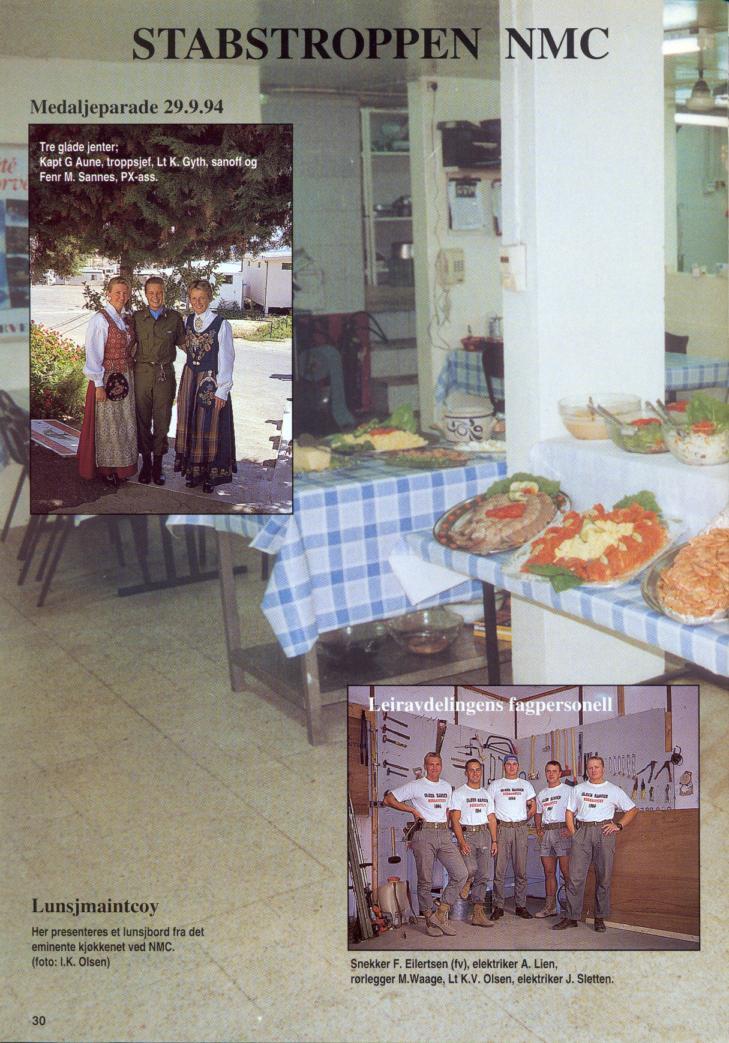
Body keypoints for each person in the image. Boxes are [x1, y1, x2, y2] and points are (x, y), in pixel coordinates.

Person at [383, 752, 468, 937]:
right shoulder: (416, 785)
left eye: (437, 764)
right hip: (424, 833)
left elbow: (448, 810)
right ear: (425, 765)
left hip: (444, 833)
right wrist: (411, 809)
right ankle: (430, 921)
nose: (434, 768)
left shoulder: (446, 787)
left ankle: (440, 913)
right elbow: (388, 799)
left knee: (461, 873)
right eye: (431, 764)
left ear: (441, 766)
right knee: (425, 881)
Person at [553, 755, 638, 933]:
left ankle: (599, 918)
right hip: (582, 832)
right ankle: (571, 917)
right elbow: (569, 812)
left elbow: (632, 809)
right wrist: (574, 834)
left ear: (603, 769)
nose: (593, 770)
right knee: (575, 878)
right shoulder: (578, 789)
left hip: (604, 833)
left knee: (603, 876)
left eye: (596, 767)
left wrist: (618, 825)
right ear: (587, 770)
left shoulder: (613, 790)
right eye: (590, 767)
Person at [174, 279, 236, 494]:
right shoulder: (187, 320)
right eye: (193, 298)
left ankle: (211, 474)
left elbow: (227, 358)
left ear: (209, 298)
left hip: (211, 380)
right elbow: (186, 345)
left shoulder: (221, 324)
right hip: (190, 378)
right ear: (189, 300)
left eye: (201, 298)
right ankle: (194, 472)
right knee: (191, 423)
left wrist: (223, 390)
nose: (197, 302)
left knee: (209, 425)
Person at [77, 276, 137, 487]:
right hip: (107, 378)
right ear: (108, 293)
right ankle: (106, 469)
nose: (121, 296)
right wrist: (98, 384)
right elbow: (93, 353)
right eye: (117, 292)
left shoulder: (125, 318)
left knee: (123, 423)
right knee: (107, 425)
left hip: (126, 377)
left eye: (125, 293)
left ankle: (121, 468)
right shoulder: (100, 320)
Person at [132, 276, 186, 485]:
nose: (155, 296)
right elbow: (127, 345)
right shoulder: (136, 318)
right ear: (146, 294)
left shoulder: (174, 318)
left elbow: (184, 345)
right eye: (151, 292)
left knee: (162, 421)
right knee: (143, 420)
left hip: (164, 375)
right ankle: (145, 462)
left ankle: (158, 464)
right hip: (142, 374)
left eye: (159, 292)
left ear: (165, 293)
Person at [449, 759, 497, 928]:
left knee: (483, 875)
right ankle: (467, 881)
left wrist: (494, 840)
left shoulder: (486, 794)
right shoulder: (459, 793)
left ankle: (477, 913)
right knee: (471, 869)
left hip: (484, 834)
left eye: (478, 770)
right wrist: (461, 842)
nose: (475, 773)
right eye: (471, 770)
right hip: (467, 834)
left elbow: (491, 818)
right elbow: (455, 820)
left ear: (481, 772)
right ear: (466, 772)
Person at [487, 754, 536, 920]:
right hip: (502, 829)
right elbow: (489, 809)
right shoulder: (495, 785)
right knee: (499, 871)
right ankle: (498, 906)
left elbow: (533, 806)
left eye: (515, 764)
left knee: (521, 870)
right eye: (508, 764)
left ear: (518, 766)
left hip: (520, 829)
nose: (512, 767)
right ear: (504, 766)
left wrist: (525, 818)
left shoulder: (526, 785)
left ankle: (521, 906)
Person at [534, 760, 572, 918]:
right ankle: (550, 907)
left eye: (554, 771)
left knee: (567, 872)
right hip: (547, 834)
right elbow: (538, 813)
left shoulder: (569, 790)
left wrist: (571, 829)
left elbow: (577, 810)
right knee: (548, 872)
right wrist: (538, 830)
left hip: (563, 831)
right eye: (548, 771)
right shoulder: (542, 794)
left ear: (560, 773)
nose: (551, 774)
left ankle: (572, 908)